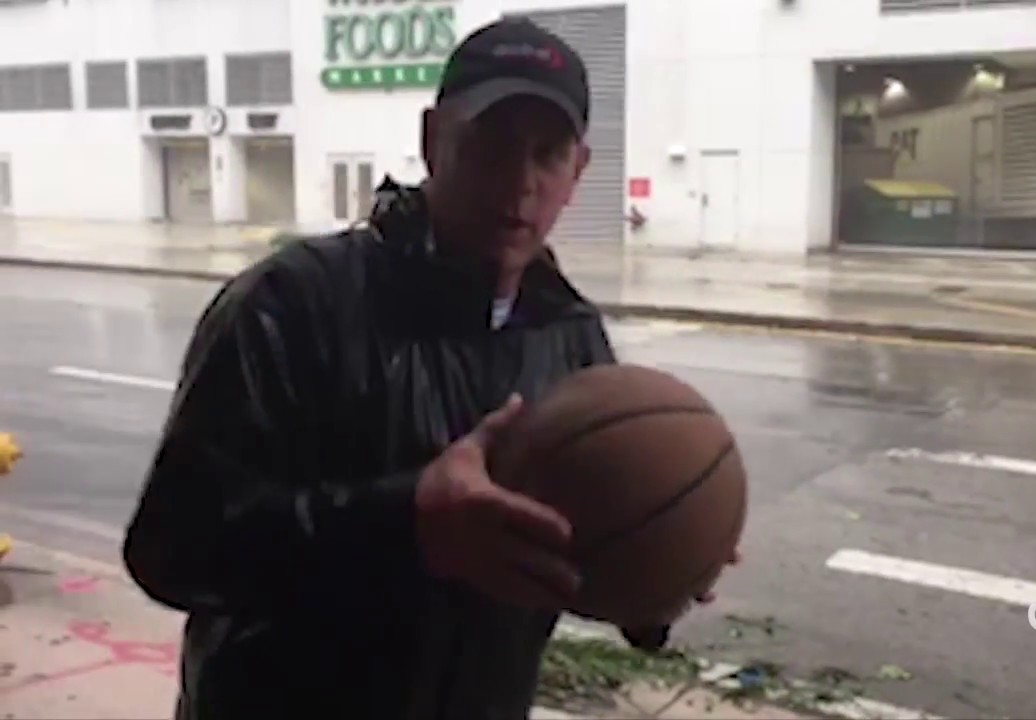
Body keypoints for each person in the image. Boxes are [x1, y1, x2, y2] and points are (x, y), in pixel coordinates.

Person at [121, 17, 738, 720]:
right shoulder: (291, 302)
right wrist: (403, 522)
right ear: (431, 140)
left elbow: (579, 550)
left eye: (548, 153)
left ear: (578, 170)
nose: (520, 182)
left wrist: (660, 574)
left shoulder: (572, 340)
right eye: (490, 146)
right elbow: (172, 547)